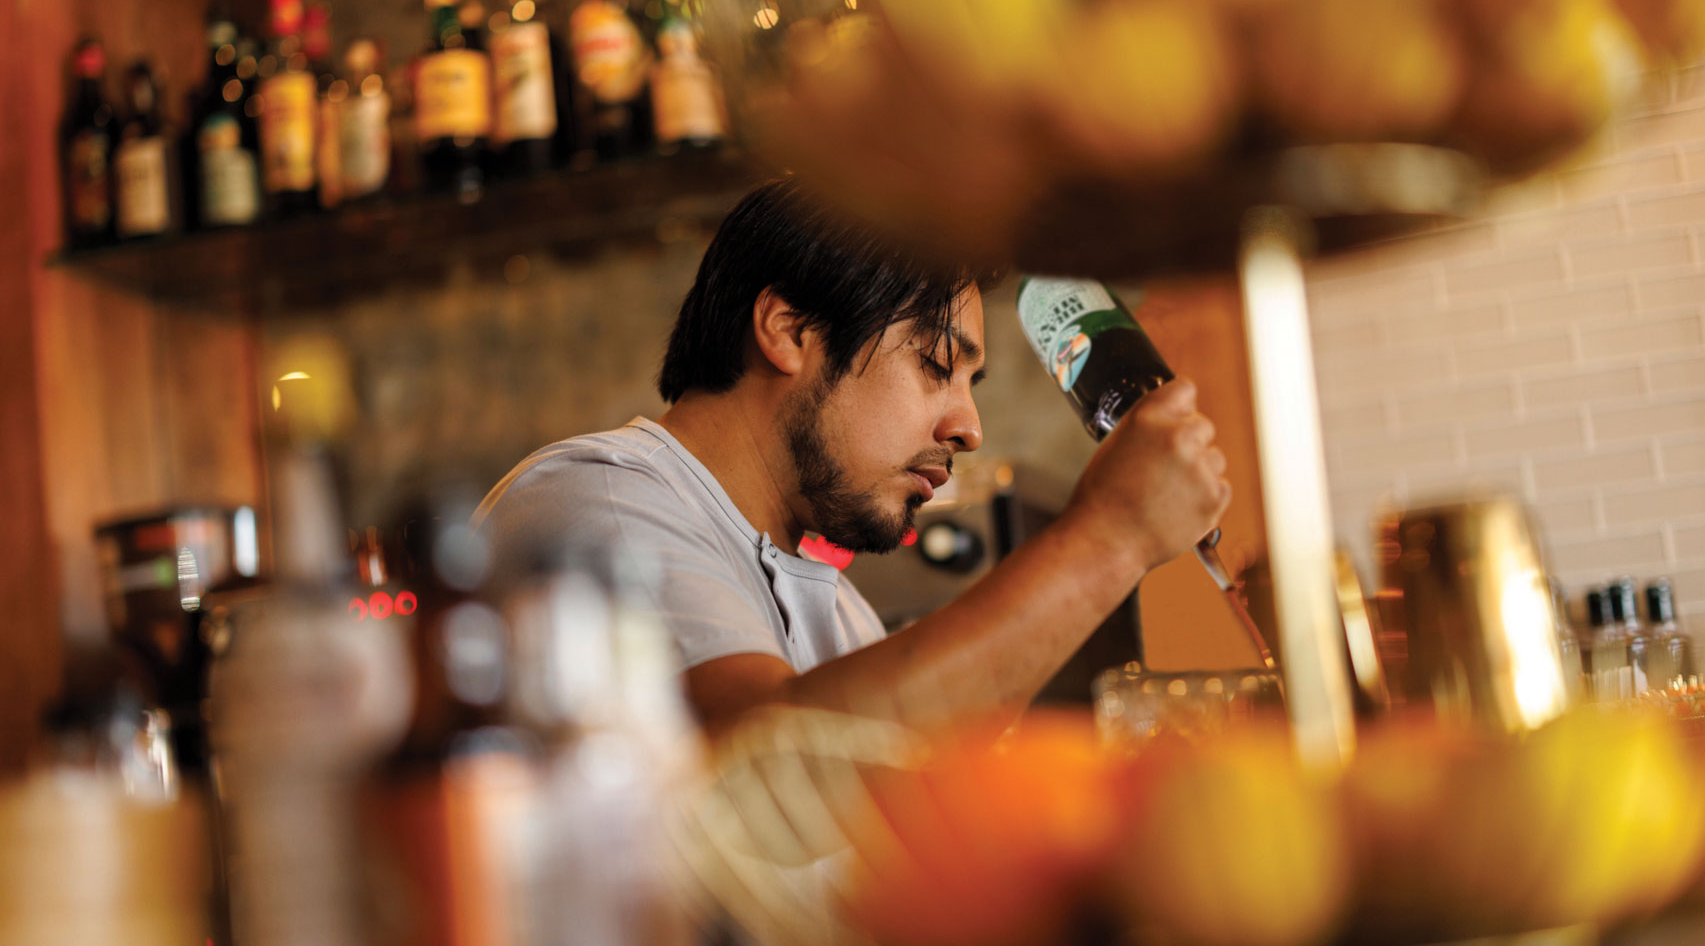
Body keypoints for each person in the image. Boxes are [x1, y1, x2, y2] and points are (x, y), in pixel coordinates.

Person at [475, 178, 1231, 736]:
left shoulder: (842, 611)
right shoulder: (596, 506)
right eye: (936, 363)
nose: (969, 426)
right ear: (789, 329)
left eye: (972, 384)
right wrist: (1112, 534)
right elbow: (771, 766)